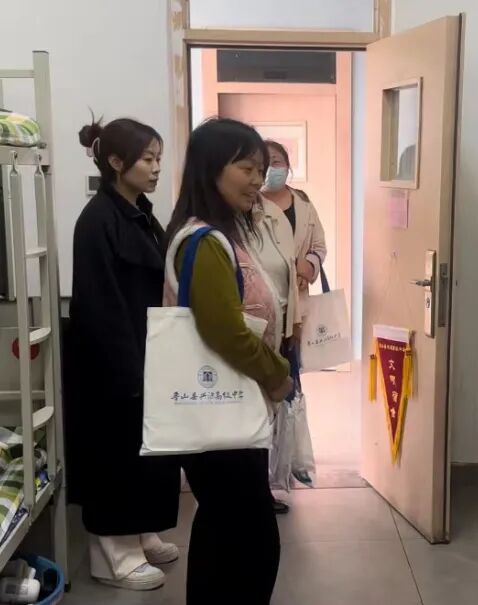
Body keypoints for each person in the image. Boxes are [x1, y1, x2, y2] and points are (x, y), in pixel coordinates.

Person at [163, 117, 294, 604]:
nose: (258, 180)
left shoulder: (217, 234)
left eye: (261, 169)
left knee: (223, 526)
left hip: (222, 410)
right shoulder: (205, 242)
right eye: (247, 168)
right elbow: (224, 330)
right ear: (212, 168)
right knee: (252, 538)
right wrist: (277, 374)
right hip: (220, 407)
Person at [69, 117, 180, 591]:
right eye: (147, 159)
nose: (156, 168)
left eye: (159, 158)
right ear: (116, 161)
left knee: (145, 454)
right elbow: (100, 305)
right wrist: (127, 369)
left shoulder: (141, 214)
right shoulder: (98, 220)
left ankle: (141, 532)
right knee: (114, 457)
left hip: (146, 352)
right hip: (113, 361)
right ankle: (112, 556)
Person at [259, 140, 327, 513]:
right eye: (265, 162)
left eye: (278, 161)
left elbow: (319, 245)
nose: (273, 169)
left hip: (295, 314)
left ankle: (282, 471)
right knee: (265, 395)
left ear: (288, 165)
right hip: (264, 310)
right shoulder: (252, 204)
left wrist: (309, 265)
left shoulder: (302, 202)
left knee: (289, 392)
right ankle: (261, 482)